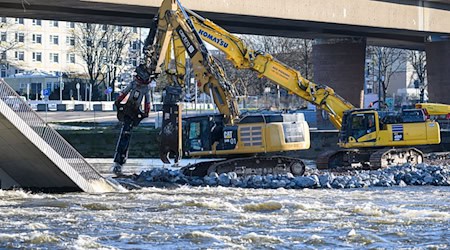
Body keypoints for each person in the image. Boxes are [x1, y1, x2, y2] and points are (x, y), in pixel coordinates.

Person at [111, 64, 151, 175]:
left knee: (125, 135)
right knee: (125, 134)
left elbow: (147, 101)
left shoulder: (143, 88)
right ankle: (120, 161)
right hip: (130, 111)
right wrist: (119, 101)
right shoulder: (138, 86)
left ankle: (119, 161)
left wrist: (146, 112)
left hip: (132, 112)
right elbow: (125, 93)